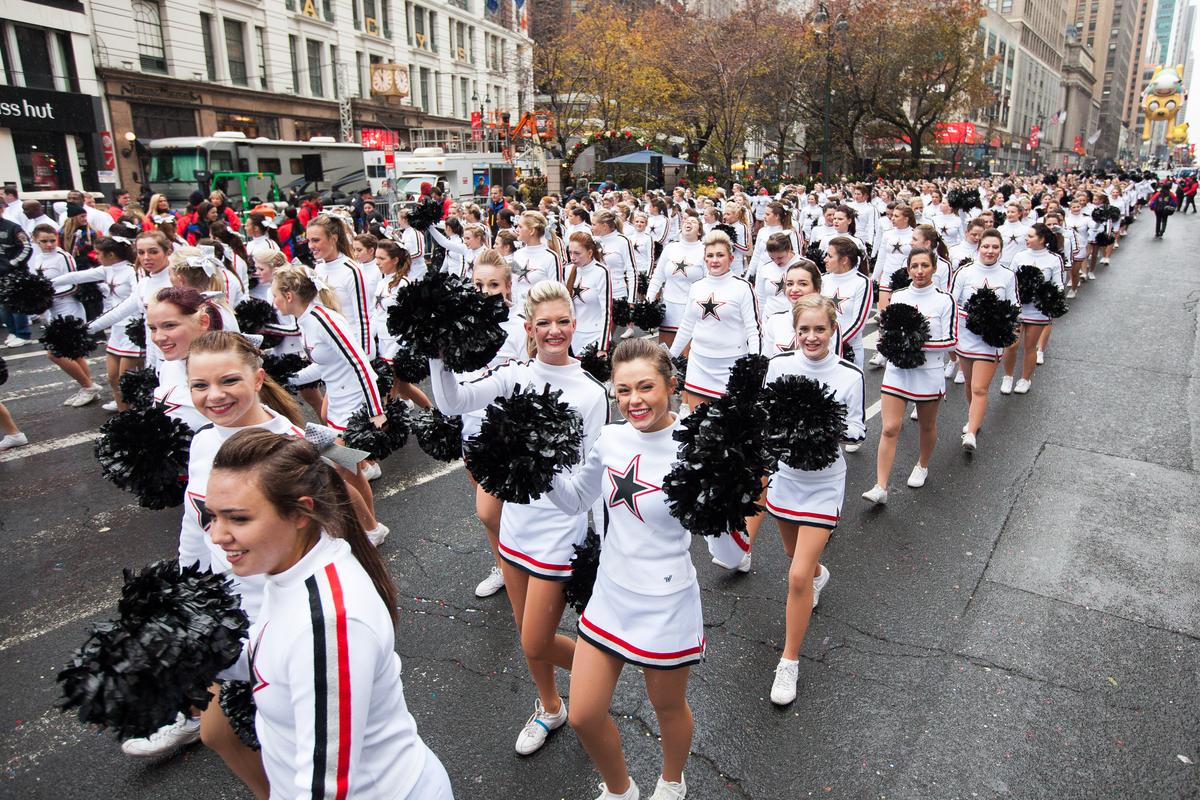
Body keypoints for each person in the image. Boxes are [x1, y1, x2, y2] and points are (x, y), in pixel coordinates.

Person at [207, 429, 454, 799]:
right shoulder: (290, 571)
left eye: (238, 519)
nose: (217, 535)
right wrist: (182, 653)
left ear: (300, 512)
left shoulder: (328, 624)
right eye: (211, 516)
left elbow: (324, 788)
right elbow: (270, 659)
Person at [428, 280, 609, 756]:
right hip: (515, 529)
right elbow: (452, 403)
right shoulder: (514, 376)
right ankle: (550, 706)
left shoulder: (592, 393)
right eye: (543, 323)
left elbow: (591, 481)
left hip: (559, 533)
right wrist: (437, 354)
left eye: (563, 321)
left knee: (534, 641)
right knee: (528, 632)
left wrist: (605, 542)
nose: (554, 331)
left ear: (575, 324)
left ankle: (600, 674)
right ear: (529, 328)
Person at [544, 338, 705, 800]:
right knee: (583, 714)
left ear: (671, 385)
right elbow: (577, 498)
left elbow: (720, 528)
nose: (635, 400)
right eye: (623, 390)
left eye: (646, 387)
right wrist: (538, 465)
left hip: (666, 601)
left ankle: (671, 781)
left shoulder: (694, 445)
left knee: (667, 707)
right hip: (611, 593)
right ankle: (620, 790)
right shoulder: (611, 438)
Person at [761, 295, 865, 705]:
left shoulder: (850, 375)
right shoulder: (777, 366)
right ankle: (820, 574)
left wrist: (826, 426)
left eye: (820, 328)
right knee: (794, 555)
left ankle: (789, 662)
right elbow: (765, 417)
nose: (811, 336)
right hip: (786, 477)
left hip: (824, 483)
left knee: (797, 576)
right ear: (795, 330)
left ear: (833, 329)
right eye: (804, 329)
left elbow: (857, 431)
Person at [271, 266, 389, 544]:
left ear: (289, 295)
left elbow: (360, 363)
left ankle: (371, 529)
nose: (273, 302)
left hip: (353, 404)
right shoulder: (305, 321)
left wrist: (376, 411)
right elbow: (323, 366)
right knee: (349, 471)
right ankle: (370, 527)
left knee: (342, 472)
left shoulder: (323, 319)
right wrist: (285, 379)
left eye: (275, 295)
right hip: (337, 402)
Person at [862, 248, 957, 505]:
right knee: (889, 427)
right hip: (897, 371)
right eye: (914, 266)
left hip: (928, 373)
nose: (919, 271)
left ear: (934, 268)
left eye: (925, 265)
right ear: (908, 269)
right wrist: (893, 343)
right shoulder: (899, 295)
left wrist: (915, 342)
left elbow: (951, 341)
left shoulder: (944, 300)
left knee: (926, 425)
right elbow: (887, 331)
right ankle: (880, 486)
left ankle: (922, 464)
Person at [51, 232, 144, 411]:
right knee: (113, 378)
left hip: (133, 331)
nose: (96, 256)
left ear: (111, 254)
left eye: (99, 253)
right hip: (116, 330)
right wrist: (46, 283)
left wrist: (90, 328)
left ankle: (134, 411)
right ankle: (123, 411)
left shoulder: (131, 272)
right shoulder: (107, 269)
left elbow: (135, 302)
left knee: (126, 379)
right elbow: (76, 277)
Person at [668, 230, 761, 408]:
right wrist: (670, 356)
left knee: (728, 421)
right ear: (705, 259)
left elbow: (753, 330)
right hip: (699, 364)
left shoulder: (743, 287)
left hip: (732, 365)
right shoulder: (696, 287)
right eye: (710, 255)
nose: (715, 260)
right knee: (697, 419)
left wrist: (755, 363)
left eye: (720, 255)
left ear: (731, 259)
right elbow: (687, 325)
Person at [948, 228, 1017, 451]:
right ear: (979, 248)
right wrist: (975, 314)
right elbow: (951, 303)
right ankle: (974, 418)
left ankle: (971, 434)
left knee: (979, 387)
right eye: (986, 246)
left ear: (1001, 250)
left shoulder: (1008, 275)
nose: (990, 251)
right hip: (966, 337)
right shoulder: (964, 272)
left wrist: (998, 319)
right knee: (970, 384)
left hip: (990, 340)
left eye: (995, 247)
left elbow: (1014, 306)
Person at [28, 224, 102, 406]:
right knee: (75, 354)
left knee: (55, 354)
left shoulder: (64, 256)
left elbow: (75, 284)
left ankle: (88, 386)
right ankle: (88, 387)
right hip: (53, 310)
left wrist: (47, 296)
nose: (49, 244)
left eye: (52, 240)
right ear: (35, 240)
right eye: (44, 241)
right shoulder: (37, 257)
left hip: (69, 309)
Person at [1001, 222, 1064, 396]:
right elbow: (1010, 280)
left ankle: (1025, 379)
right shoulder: (1019, 256)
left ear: (1041, 239)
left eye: (1030, 236)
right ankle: (1007, 376)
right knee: (1011, 345)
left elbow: (1058, 284)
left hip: (1038, 310)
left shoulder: (1054, 259)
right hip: (1018, 307)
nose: (1026, 239)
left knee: (1030, 346)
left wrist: (1049, 298)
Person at [647, 215, 706, 349]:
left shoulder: (704, 250)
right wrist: (649, 300)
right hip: (669, 308)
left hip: (691, 308)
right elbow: (658, 276)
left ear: (699, 231)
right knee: (665, 353)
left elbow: (708, 282)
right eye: (686, 221)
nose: (688, 222)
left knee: (686, 355)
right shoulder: (671, 248)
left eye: (693, 222)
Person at [821, 236, 873, 368]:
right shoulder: (823, 279)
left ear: (844, 260)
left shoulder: (862, 282)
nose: (825, 259)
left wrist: (834, 343)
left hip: (848, 348)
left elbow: (858, 322)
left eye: (830, 256)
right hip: (821, 348)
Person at [564, 232, 613, 353]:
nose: (572, 257)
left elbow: (607, 311)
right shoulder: (568, 270)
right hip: (573, 337)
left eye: (577, 253)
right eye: (570, 253)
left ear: (590, 253)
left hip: (595, 336)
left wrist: (603, 347)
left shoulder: (601, 271)